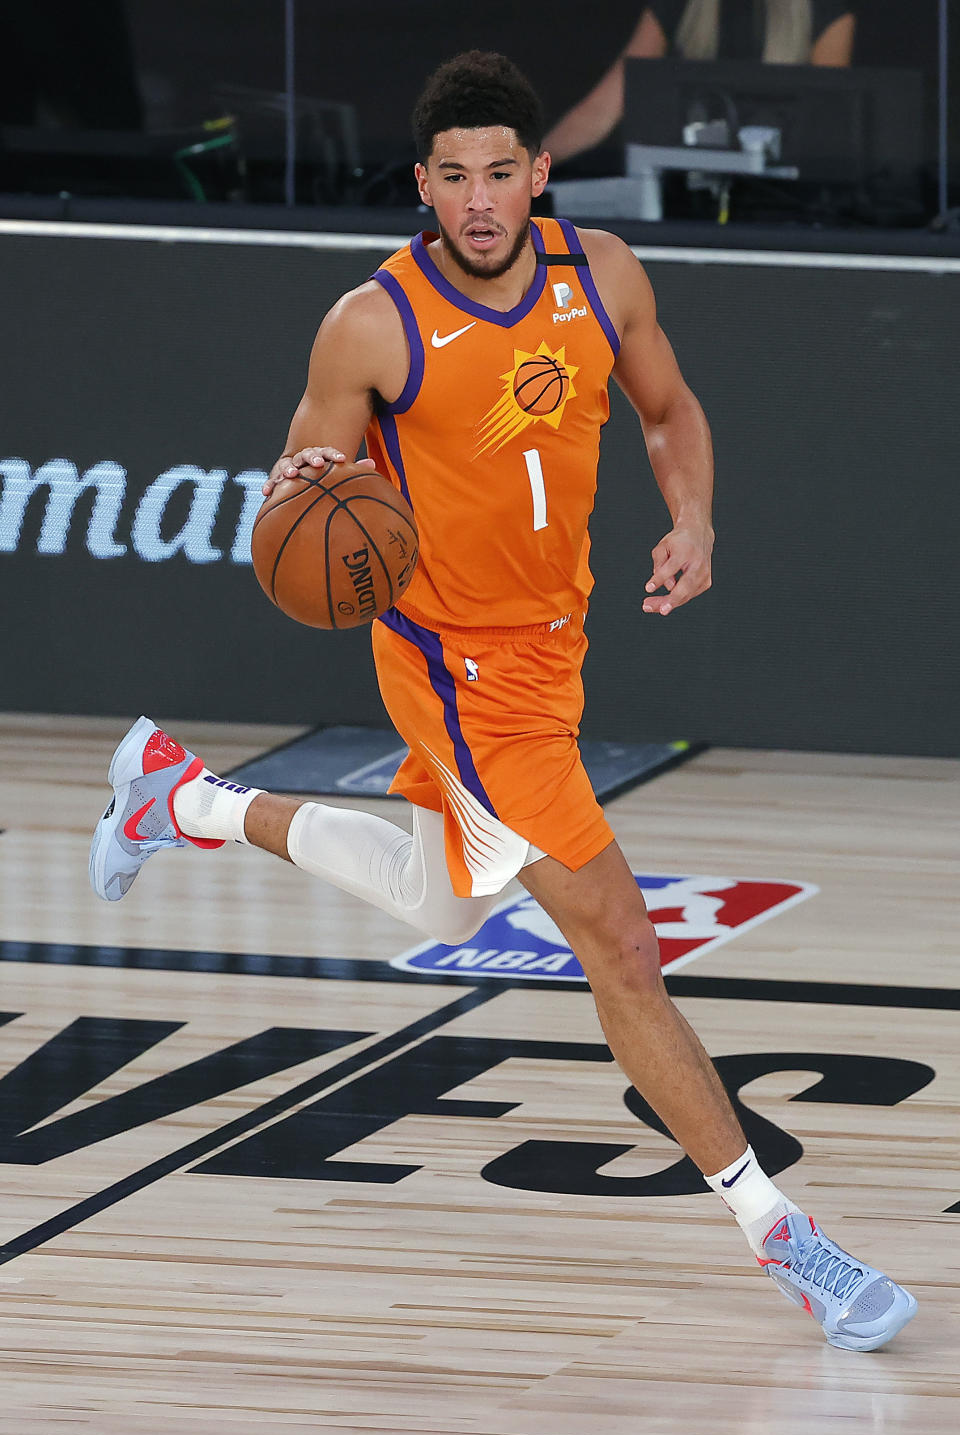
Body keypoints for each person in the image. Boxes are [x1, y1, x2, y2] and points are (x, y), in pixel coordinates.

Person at [89, 49, 914, 1351]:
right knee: (622, 950)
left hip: (550, 652)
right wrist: (299, 484)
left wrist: (693, 514)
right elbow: (289, 508)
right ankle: (788, 1240)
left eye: (501, 174)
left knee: (435, 894)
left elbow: (669, 409)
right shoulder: (373, 323)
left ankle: (181, 801)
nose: (478, 200)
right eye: (453, 177)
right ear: (423, 184)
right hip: (457, 671)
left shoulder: (603, 278)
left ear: (540, 175)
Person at [544, 0, 856, 165]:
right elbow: (605, 106)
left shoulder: (825, 10)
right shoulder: (682, 6)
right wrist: (532, 165)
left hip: (782, 209)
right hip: (693, 197)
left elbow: (823, 135)